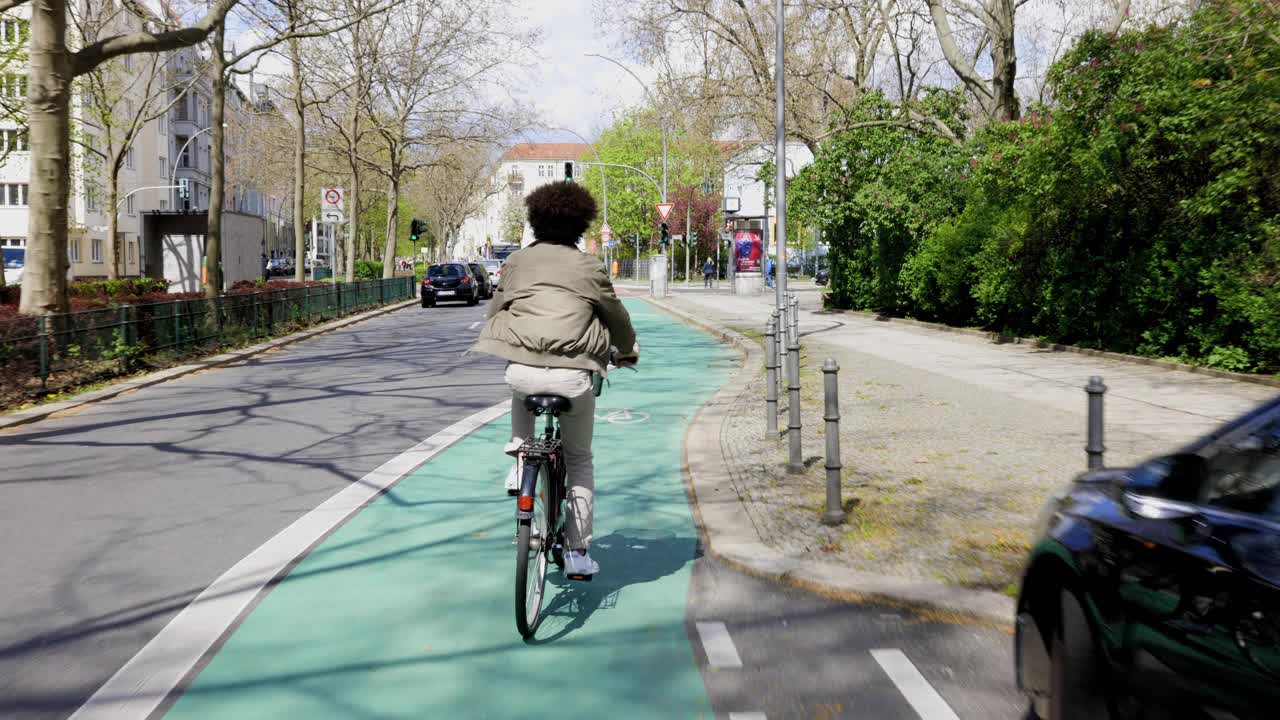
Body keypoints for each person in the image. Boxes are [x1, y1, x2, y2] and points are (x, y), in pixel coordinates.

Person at [472, 181, 638, 579]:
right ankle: (578, 553)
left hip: (524, 374)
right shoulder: (588, 266)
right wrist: (627, 350)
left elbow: (497, 307)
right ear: (581, 225)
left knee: (520, 380)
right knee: (579, 460)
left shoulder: (516, 262)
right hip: (573, 379)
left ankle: (518, 455)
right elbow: (615, 317)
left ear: (535, 220)